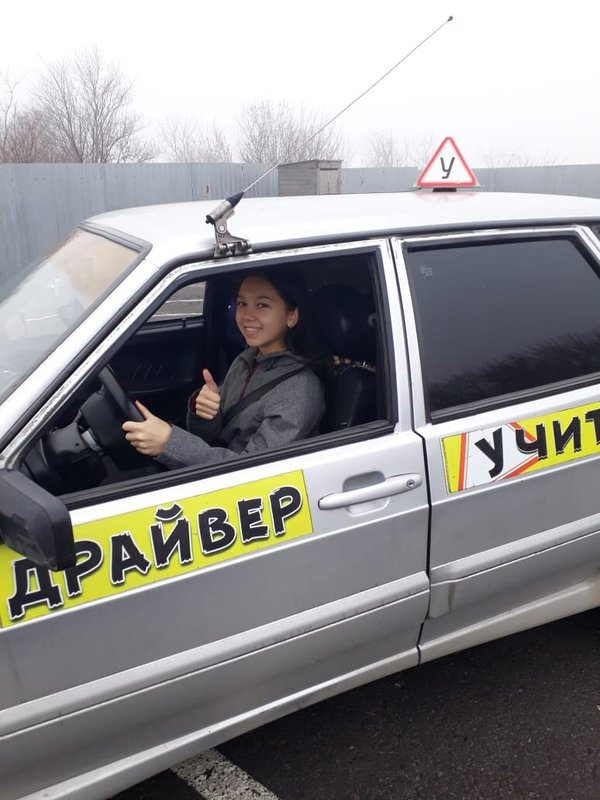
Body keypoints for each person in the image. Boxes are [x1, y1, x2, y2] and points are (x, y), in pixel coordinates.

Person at [122, 272, 325, 469]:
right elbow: (213, 438)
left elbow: (252, 472)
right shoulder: (246, 360)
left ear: (291, 316)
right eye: (242, 303)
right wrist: (205, 414)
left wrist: (169, 444)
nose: (247, 315)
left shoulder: (299, 390)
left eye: (262, 305)